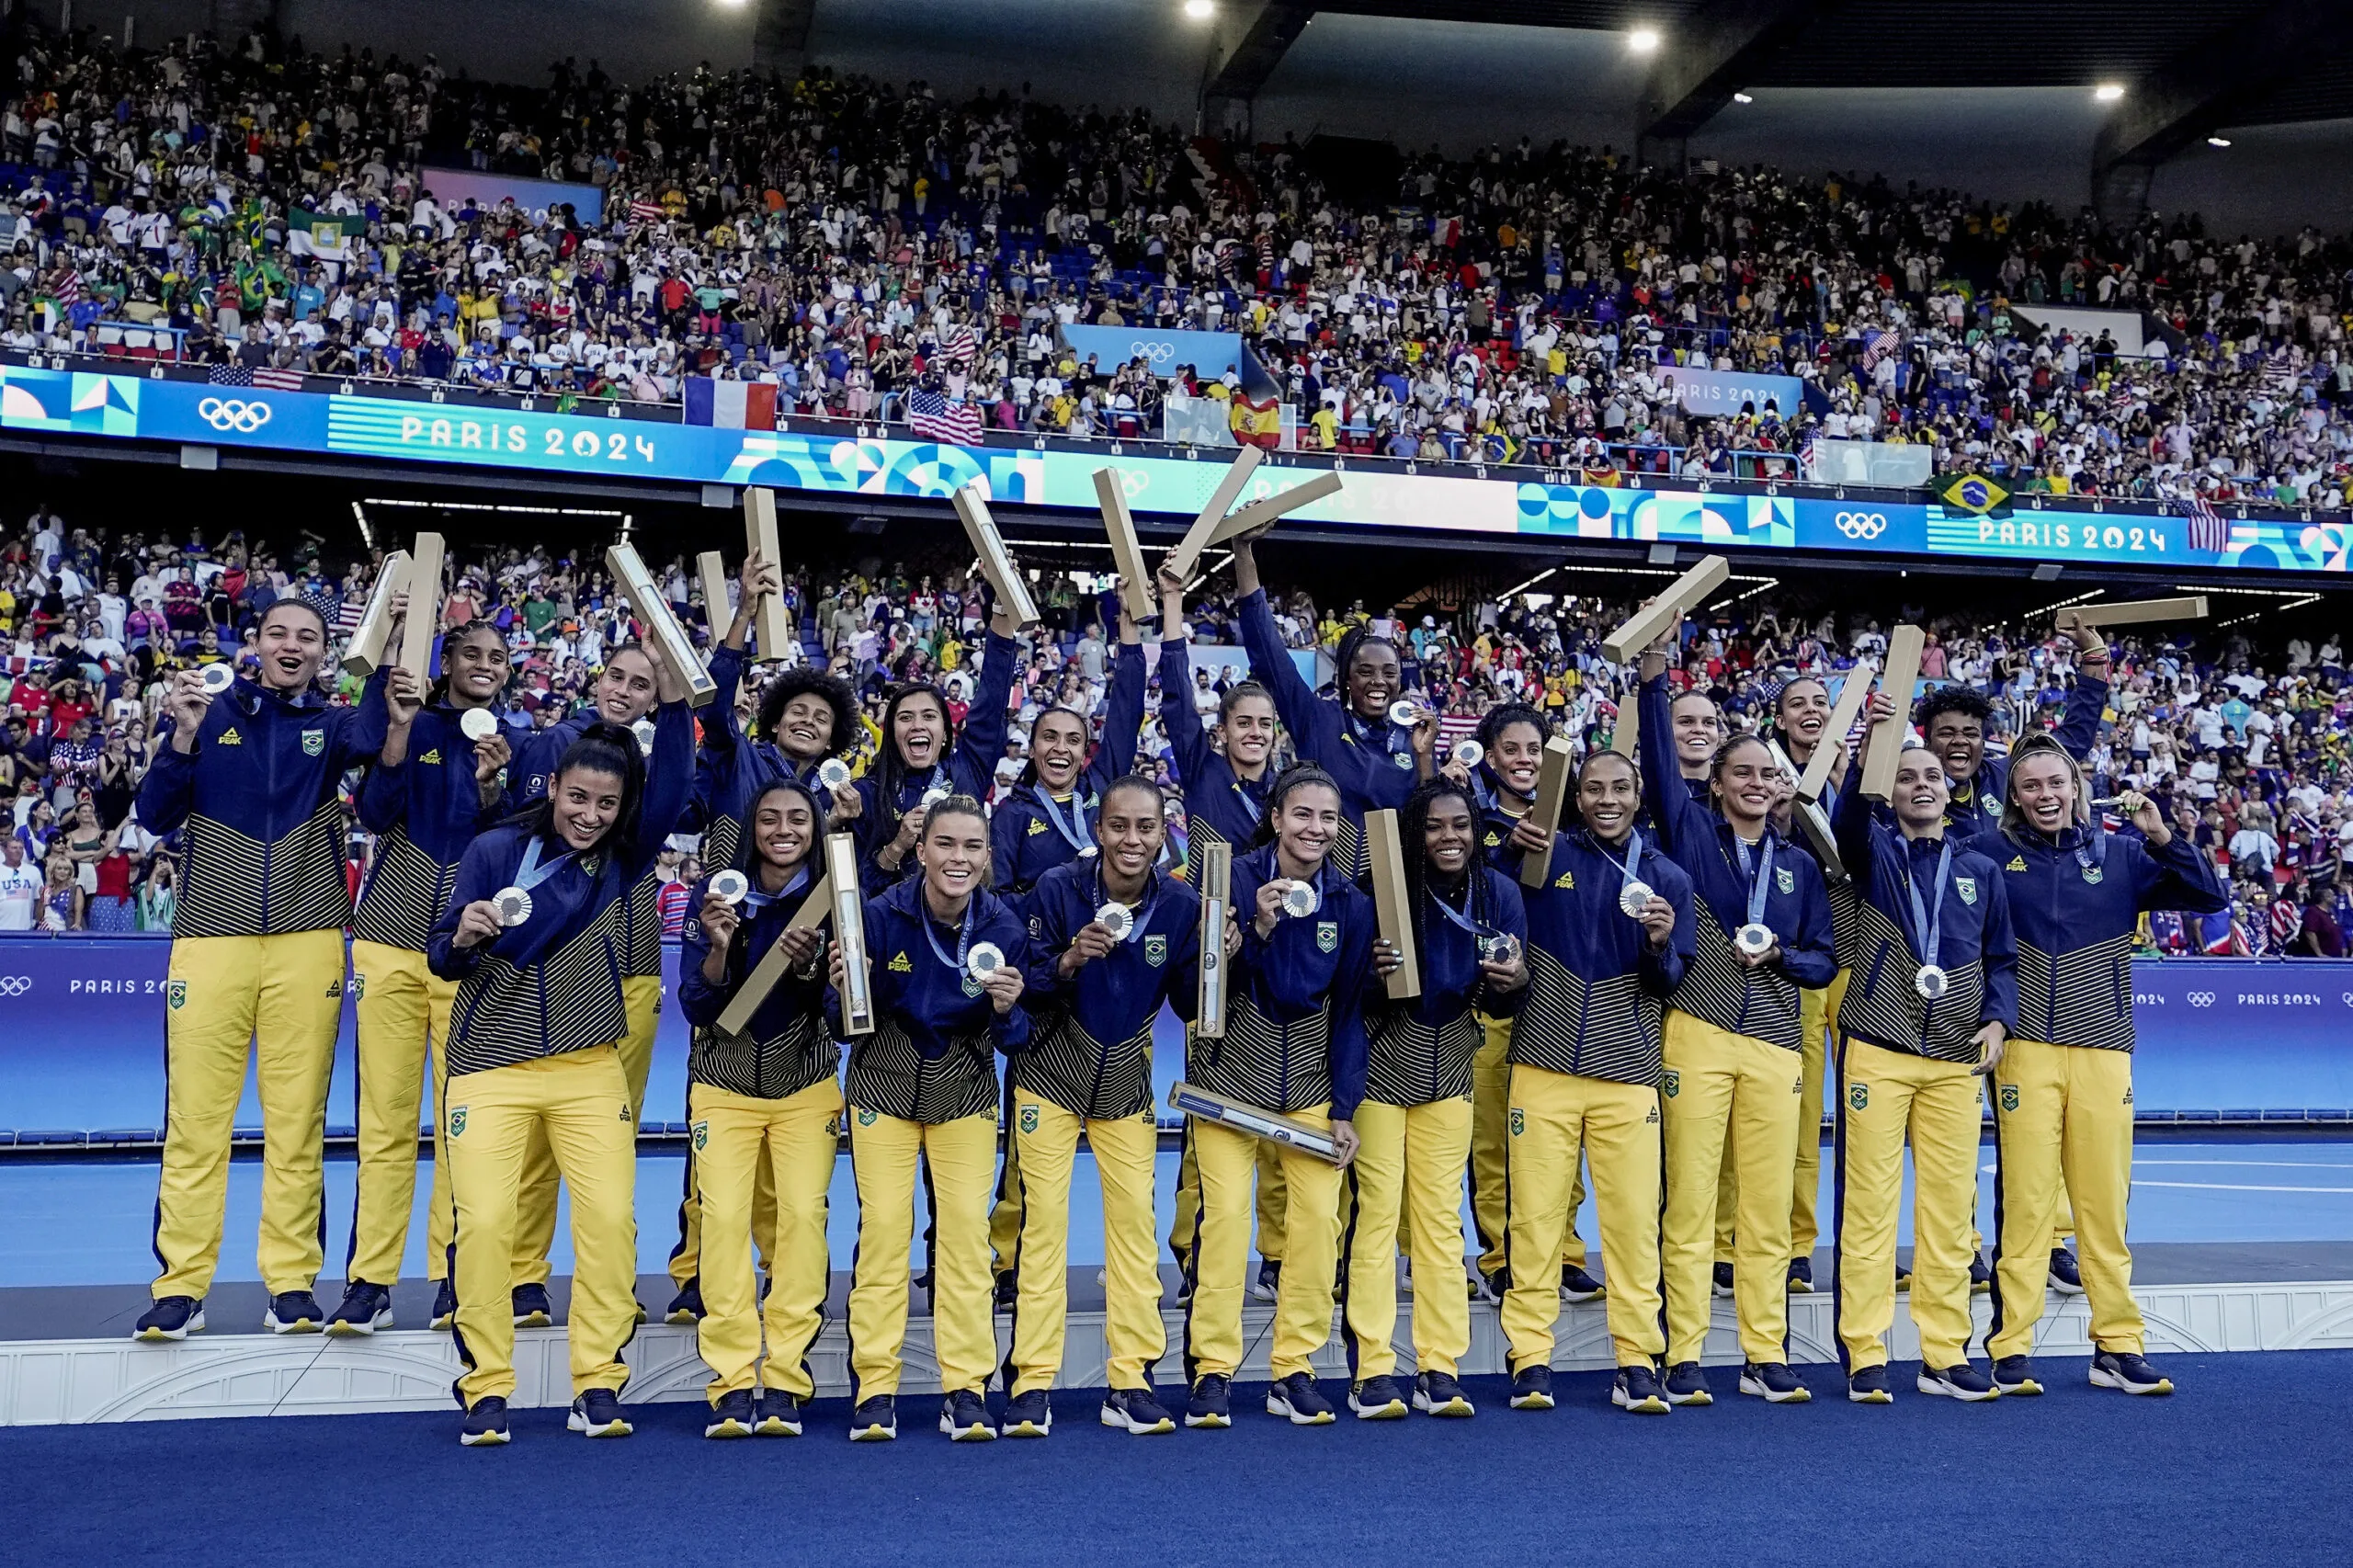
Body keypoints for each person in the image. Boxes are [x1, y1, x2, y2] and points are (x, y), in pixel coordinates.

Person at [429, 672, 695, 1449]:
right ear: (554, 789)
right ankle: (485, 1387)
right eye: (578, 798)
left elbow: (674, 779)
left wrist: (676, 700)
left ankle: (598, 1384)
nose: (590, 815)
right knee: (481, 1224)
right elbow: (443, 956)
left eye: (607, 804)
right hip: (490, 1064)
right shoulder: (492, 850)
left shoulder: (622, 859)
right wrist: (467, 937)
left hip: (587, 1066)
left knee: (611, 1221)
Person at [131, 599, 392, 1342]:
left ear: (323, 653)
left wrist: (388, 633)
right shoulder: (208, 715)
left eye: (308, 637)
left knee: (297, 1122)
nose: (291, 645)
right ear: (256, 643)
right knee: (194, 1124)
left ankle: (291, 1284)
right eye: (278, 632)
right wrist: (181, 736)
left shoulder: (336, 725)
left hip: (308, 942)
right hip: (211, 937)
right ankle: (182, 1286)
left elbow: (376, 731)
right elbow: (153, 815)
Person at [1971, 736, 2227, 1398]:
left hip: (2103, 1047)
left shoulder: (2122, 855)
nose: (2046, 796)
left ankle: (2117, 1344)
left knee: (2104, 1207)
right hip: (2024, 1050)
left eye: (2056, 783)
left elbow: (2208, 898)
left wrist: (2164, 836)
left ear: (2077, 787)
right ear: (2014, 796)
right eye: (2031, 787)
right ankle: (2010, 1347)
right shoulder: (1994, 856)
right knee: (2026, 1205)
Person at [1638, 638, 1836, 1405]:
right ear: (1716, 784)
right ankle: (1682, 1352)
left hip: (1777, 1045)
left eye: (1767, 774)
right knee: (1688, 1200)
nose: (1757, 783)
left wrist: (1783, 956)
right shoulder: (1689, 837)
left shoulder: (1799, 867)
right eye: (1742, 772)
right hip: (1696, 1029)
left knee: (1763, 1205)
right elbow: (1658, 768)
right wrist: (1655, 682)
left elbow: (1822, 957)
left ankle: (1764, 1350)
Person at [666, 554, 858, 1324]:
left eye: (822, 715)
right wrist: (743, 618)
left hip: (802, 966)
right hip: (726, 946)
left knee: (793, 1127)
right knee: (711, 1134)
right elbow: (711, 708)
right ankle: (694, 1270)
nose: (807, 720)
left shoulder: (841, 796)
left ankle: (785, 1277)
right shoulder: (738, 762)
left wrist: (855, 825)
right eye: (795, 711)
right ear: (773, 717)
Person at [1000, 775, 1201, 1437]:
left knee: (1134, 1231)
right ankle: (1031, 1381)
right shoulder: (1057, 888)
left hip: (1121, 1082)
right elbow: (1017, 981)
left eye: (1146, 828)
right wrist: (1065, 962)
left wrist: (1216, 961)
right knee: (1044, 1228)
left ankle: (1131, 1379)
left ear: (1163, 829)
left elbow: (1190, 1005)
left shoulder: (1179, 903)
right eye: (1119, 826)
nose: (1132, 840)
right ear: (1098, 829)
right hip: (1049, 1076)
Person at [335, 619, 518, 1335]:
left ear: (507, 671)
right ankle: (370, 1281)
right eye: (470, 653)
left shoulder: (514, 741)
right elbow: (376, 813)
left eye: (496, 657)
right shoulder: (409, 718)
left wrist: (490, 786)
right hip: (387, 943)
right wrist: (399, 733)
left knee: (461, 1126)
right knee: (383, 1122)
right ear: (445, 662)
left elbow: (507, 842)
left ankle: (453, 1276)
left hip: (467, 956)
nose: (483, 665)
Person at [1830, 706, 2017, 1403]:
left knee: (1949, 1211)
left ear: (1949, 788)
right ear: (1893, 789)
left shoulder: (1980, 868)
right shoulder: (1873, 851)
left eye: (1931, 776)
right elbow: (1848, 820)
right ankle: (1866, 1351)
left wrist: (1998, 1022)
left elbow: (2003, 958)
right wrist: (1876, 744)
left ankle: (1944, 1353)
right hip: (1878, 1048)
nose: (1921, 785)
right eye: (1906, 777)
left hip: (1955, 1059)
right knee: (1871, 1207)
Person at [1497, 747, 1691, 1415]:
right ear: (1576, 798)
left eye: (1620, 788)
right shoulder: (1544, 857)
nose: (1607, 799)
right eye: (1594, 789)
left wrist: (1662, 945)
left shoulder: (1668, 877)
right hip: (1542, 1064)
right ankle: (1529, 1356)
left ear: (1639, 796)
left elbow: (1670, 984)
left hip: (1628, 1073)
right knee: (1536, 1220)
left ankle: (1637, 1360)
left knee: (1634, 1225)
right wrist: (1504, 848)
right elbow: (1492, 907)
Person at [833, 794, 1031, 1443]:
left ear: (986, 857)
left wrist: (1007, 1010)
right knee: (887, 1233)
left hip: (964, 1096)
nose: (959, 858)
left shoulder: (1003, 925)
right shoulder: (879, 913)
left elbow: (1016, 1040)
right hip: (882, 1091)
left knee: (967, 1241)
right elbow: (842, 1027)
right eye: (945, 844)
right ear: (921, 851)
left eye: (972, 847)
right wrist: (845, 988)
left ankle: (966, 1388)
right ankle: (875, 1387)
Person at [1181, 765, 1373, 1430]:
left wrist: (1345, 1106)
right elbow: (1204, 992)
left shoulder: (1349, 902)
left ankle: (1294, 1368)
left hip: (1309, 1090)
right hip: (1230, 1080)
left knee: (1320, 1222)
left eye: (1327, 818)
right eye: (1302, 815)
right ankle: (1212, 1368)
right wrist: (1255, 932)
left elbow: (1350, 1010)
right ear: (1276, 816)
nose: (1315, 829)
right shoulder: (1230, 881)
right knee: (1228, 1221)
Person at [1344, 778, 1526, 1420]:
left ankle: (1439, 1365)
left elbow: (1510, 996)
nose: (1450, 838)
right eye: (1434, 827)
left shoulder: (1499, 892)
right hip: (1382, 1066)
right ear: (1414, 834)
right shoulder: (1382, 893)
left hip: (1451, 1066)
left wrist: (1515, 980)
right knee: (1377, 1219)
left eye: (1461, 826)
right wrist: (1371, 975)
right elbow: (1349, 994)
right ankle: (1371, 1368)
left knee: (1440, 1222)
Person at [676, 779, 837, 1439]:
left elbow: (844, 1012)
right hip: (724, 1083)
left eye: (798, 819)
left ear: (814, 829)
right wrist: (718, 946)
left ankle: (787, 1377)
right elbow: (696, 1004)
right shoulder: (716, 896)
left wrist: (811, 970)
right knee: (722, 1224)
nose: (783, 829)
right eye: (769, 818)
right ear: (752, 828)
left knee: (802, 1220)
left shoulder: (836, 901)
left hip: (806, 1085)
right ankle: (733, 1380)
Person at [1156, 563, 1289, 1301]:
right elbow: (1176, 697)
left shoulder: (1294, 795)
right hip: (1217, 960)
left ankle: (1275, 1251)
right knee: (1210, 1110)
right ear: (1222, 732)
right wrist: (1174, 609)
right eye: (1244, 723)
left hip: (1281, 961)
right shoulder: (1206, 778)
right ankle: (1193, 1249)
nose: (1256, 734)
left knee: (1280, 1106)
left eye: (1266, 725)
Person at [1452, 703, 1600, 1303]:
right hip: (1489, 1002)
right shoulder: (1466, 819)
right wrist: (1503, 844)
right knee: (1490, 1141)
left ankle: (1564, 1254)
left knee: (1560, 1141)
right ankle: (1498, 1258)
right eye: (1510, 750)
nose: (1523, 760)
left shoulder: (1572, 821)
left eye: (1533, 750)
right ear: (1490, 757)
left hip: (1557, 1006)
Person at [1233, 538, 1422, 881]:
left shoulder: (1413, 739)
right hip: (1325, 898)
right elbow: (1268, 652)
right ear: (1347, 678)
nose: (1378, 681)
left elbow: (1430, 819)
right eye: (1366, 672)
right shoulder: (1320, 720)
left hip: (1397, 896)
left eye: (1389, 673)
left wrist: (1432, 761)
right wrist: (1243, 550)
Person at [852, 602, 1018, 887]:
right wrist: (898, 845)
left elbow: (991, 702)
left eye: (929, 716)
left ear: (944, 733)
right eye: (905, 718)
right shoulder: (867, 793)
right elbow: (854, 891)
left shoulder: (966, 771)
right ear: (891, 733)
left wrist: (1002, 605)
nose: (918, 725)